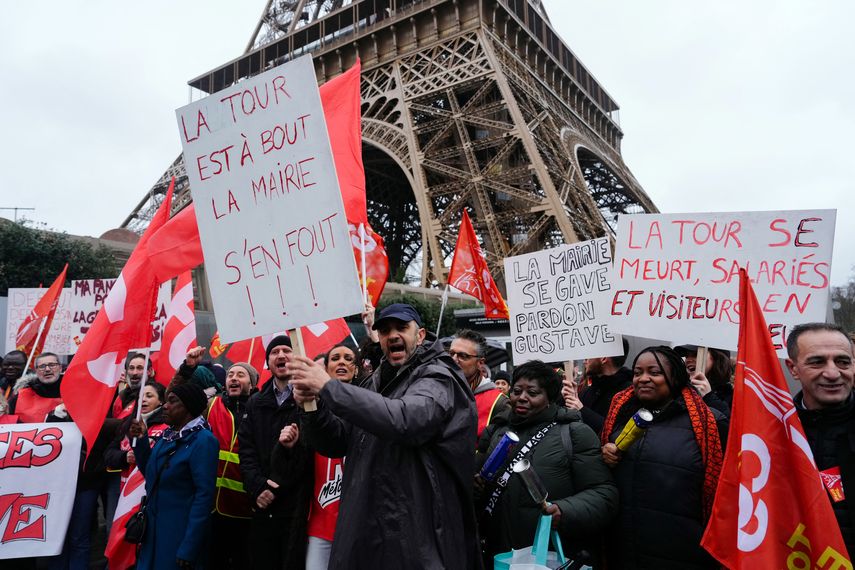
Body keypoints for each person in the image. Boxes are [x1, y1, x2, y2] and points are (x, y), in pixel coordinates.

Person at [288, 303, 482, 570]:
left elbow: (405, 420)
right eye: (385, 330)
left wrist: (329, 387)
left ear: (421, 335)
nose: (392, 335)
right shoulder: (374, 381)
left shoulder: (438, 376)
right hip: (372, 526)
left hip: (417, 533)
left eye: (402, 328)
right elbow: (337, 442)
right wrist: (313, 407)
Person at [476, 360, 618, 563]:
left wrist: (565, 510)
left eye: (532, 393)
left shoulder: (574, 433)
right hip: (499, 554)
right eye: (516, 391)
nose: (522, 398)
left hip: (548, 555)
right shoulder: (496, 432)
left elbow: (604, 494)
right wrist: (476, 489)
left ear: (550, 398)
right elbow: (478, 485)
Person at [601, 345, 726, 569]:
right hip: (623, 549)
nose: (643, 379)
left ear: (675, 376)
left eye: (654, 372)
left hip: (682, 552)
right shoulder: (619, 415)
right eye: (637, 373)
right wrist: (606, 455)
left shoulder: (710, 424)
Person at [237, 335, 312, 569]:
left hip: (294, 506)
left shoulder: (308, 399)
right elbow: (246, 450)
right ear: (268, 362)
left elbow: (309, 453)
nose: (281, 355)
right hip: (261, 505)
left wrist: (274, 487)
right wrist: (258, 487)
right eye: (274, 352)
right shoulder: (255, 402)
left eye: (286, 350)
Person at [129, 383, 218, 570]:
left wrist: (189, 547)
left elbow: (204, 498)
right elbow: (152, 475)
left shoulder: (203, 441)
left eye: (172, 401)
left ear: (188, 407)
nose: (165, 406)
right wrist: (140, 441)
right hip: (154, 534)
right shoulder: (167, 436)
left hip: (178, 536)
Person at [787, 323, 855, 553]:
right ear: (793, 368)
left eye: (843, 361)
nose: (833, 373)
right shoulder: (772, 432)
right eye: (817, 362)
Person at [302, 344, 359, 569]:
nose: (342, 362)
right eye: (335, 358)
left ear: (357, 369)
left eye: (348, 358)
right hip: (320, 521)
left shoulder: (368, 403)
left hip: (358, 521)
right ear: (325, 368)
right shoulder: (310, 405)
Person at [208, 361, 259, 570]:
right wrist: (187, 369)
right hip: (212, 507)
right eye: (230, 374)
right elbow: (180, 399)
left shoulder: (261, 410)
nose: (234, 378)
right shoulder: (211, 405)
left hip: (246, 508)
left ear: (253, 384)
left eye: (241, 374)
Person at [450, 330, 510, 440]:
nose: (454, 360)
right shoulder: (439, 393)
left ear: (480, 363)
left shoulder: (499, 403)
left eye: (463, 355)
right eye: (451, 353)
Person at [564, 338, 632, 435]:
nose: (584, 361)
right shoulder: (586, 391)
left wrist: (582, 410)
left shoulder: (629, 393)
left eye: (588, 356)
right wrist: (567, 397)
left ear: (603, 358)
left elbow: (618, 434)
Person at [675, 345, 734, 415]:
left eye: (696, 354)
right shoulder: (679, 389)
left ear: (717, 358)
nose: (688, 360)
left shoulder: (733, 396)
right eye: (687, 356)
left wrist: (709, 397)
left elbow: (728, 423)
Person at [9, 352, 63, 422]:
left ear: (60, 368)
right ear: (36, 370)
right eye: (42, 366)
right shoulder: (20, 396)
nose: (47, 369)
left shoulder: (76, 393)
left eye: (52, 365)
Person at [111, 352, 154, 419]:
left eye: (139, 368)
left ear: (149, 371)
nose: (134, 373)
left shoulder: (154, 394)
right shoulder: (122, 395)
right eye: (131, 368)